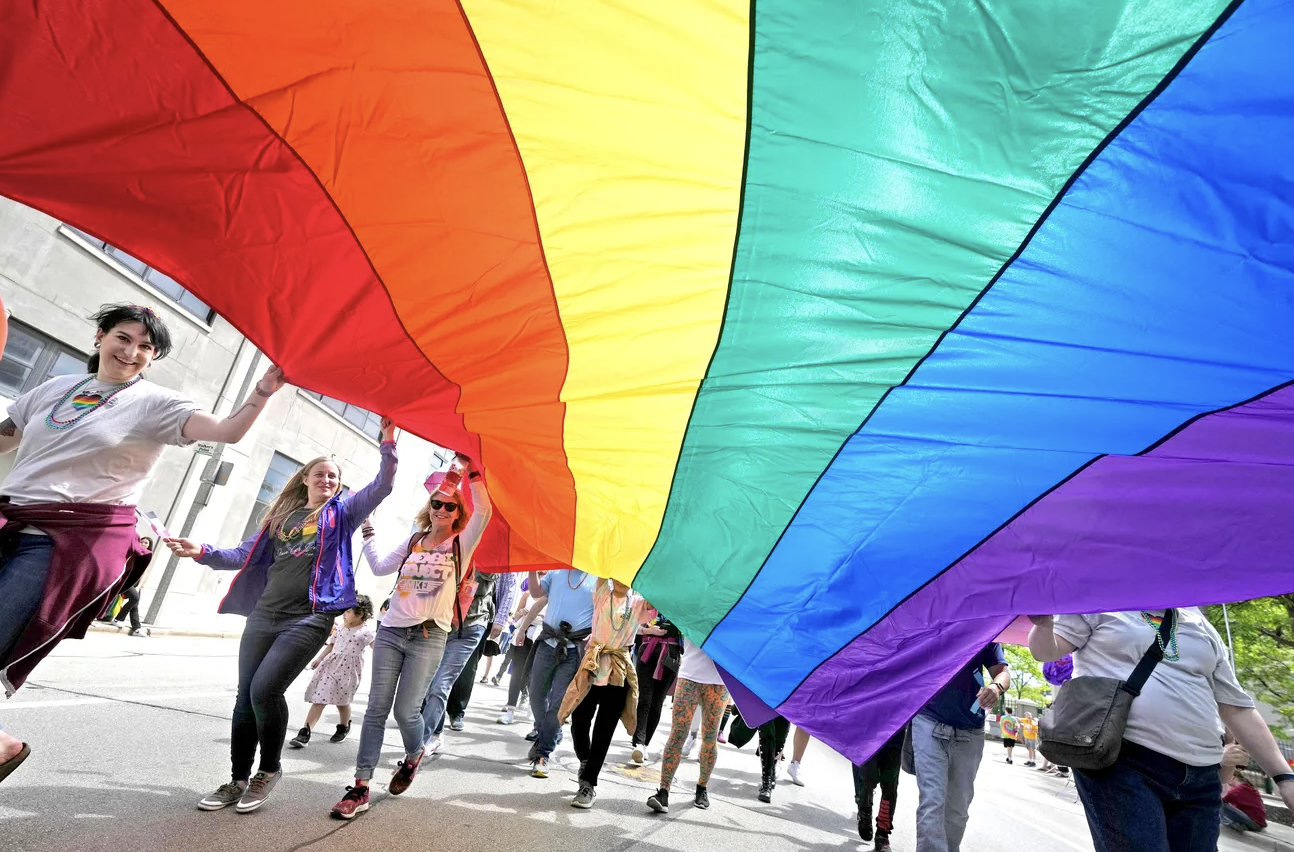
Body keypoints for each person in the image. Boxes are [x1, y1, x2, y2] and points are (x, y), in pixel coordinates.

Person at [0, 304, 284, 785]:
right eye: (123, 338)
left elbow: (226, 432)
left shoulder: (156, 403)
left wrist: (260, 393)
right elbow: (6, 438)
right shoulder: (54, 389)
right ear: (100, 336)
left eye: (146, 347)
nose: (131, 352)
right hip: (13, 522)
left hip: (70, 541)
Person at [167, 417, 397, 813]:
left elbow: (384, 485)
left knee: (264, 691)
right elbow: (242, 555)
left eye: (333, 476)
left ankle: (268, 771)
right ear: (305, 478)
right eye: (320, 473)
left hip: (308, 617)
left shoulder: (343, 514)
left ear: (339, 485)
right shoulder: (281, 518)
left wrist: (388, 443)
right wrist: (202, 550)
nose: (326, 479)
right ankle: (237, 779)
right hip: (264, 614)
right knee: (244, 699)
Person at [1029, 609, 1294, 852]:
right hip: (1122, 762)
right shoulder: (1099, 601)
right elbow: (1046, 651)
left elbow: (1237, 706)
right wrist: (1044, 624)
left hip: (1202, 776)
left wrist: (1284, 778)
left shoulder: (1200, 621)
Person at [329, 455, 491, 819]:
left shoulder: (461, 545)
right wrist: (368, 534)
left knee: (406, 712)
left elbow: (484, 509)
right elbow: (380, 566)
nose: (442, 509)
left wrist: (474, 467)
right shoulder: (415, 540)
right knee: (375, 709)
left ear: (458, 513)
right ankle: (360, 786)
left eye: (450, 506)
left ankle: (414, 752)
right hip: (390, 631)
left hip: (429, 636)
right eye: (436, 503)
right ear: (429, 506)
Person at [414, 469, 509, 754]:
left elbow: (508, 588)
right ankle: (436, 731)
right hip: (441, 624)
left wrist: (501, 620)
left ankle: (420, 743)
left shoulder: (494, 551)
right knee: (429, 683)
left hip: (472, 626)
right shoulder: (450, 544)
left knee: (441, 684)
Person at [557, 577, 649, 808]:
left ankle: (588, 784)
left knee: (604, 730)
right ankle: (585, 760)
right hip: (593, 665)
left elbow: (655, 601)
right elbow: (601, 566)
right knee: (579, 719)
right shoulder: (601, 592)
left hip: (619, 671)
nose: (622, 579)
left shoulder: (638, 601)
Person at [912, 642, 1010, 852]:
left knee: (958, 810)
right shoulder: (930, 618)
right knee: (932, 802)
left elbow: (1002, 672)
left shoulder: (988, 628)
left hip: (970, 731)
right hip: (928, 721)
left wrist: (996, 687)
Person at [519, 567, 596, 777]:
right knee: (535, 695)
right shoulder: (556, 573)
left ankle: (543, 754)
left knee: (558, 703)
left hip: (575, 649)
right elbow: (536, 594)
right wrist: (532, 568)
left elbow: (602, 613)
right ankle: (550, 733)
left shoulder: (600, 579)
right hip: (547, 643)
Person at [646, 638, 730, 814]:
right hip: (689, 676)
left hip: (719, 682)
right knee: (678, 733)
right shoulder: (693, 609)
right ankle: (663, 791)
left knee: (709, 737)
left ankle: (702, 787)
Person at [288, 596, 376, 749]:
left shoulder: (366, 632)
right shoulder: (341, 627)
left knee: (342, 702)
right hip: (330, 666)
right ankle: (305, 733)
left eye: (348, 611)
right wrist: (319, 659)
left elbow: (378, 649)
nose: (344, 614)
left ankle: (343, 726)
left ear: (361, 614)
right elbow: (331, 645)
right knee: (319, 699)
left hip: (350, 671)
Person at [439, 570, 516, 732]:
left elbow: (509, 587)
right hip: (450, 609)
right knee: (439, 662)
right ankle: (430, 709)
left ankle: (457, 711)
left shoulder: (503, 552)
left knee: (468, 665)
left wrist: (500, 620)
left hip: (481, 615)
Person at [629, 607, 681, 766]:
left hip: (670, 656)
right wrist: (648, 630)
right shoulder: (648, 601)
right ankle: (639, 742)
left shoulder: (685, 605)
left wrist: (678, 628)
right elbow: (631, 626)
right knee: (644, 699)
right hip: (648, 653)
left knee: (657, 703)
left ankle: (644, 744)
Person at [854, 726, 906, 850]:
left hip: (895, 734)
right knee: (867, 777)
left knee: (889, 785)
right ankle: (864, 810)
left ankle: (882, 834)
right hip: (868, 730)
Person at [498, 593, 544, 725]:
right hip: (523, 634)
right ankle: (510, 711)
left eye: (543, 572)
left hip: (542, 636)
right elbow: (515, 618)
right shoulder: (528, 594)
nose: (541, 574)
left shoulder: (553, 593)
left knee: (536, 675)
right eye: (539, 572)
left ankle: (533, 707)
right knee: (517, 672)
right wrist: (522, 613)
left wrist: (540, 616)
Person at [1220, 736, 1265, 832]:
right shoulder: (1246, 786)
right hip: (1259, 822)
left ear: (1234, 777)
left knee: (1219, 804)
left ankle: (1232, 824)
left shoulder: (1238, 789)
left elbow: (1221, 800)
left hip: (1255, 823)